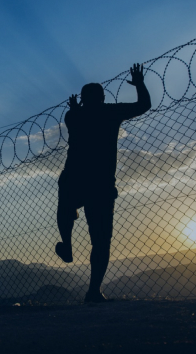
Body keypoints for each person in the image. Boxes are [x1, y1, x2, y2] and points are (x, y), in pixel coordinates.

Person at [56, 63, 151, 303]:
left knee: (66, 204)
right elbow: (144, 106)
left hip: (74, 178)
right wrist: (139, 83)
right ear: (102, 97)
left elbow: (74, 117)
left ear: (82, 98)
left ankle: (66, 244)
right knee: (100, 240)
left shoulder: (73, 116)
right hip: (100, 184)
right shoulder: (110, 112)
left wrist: (76, 108)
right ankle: (93, 291)